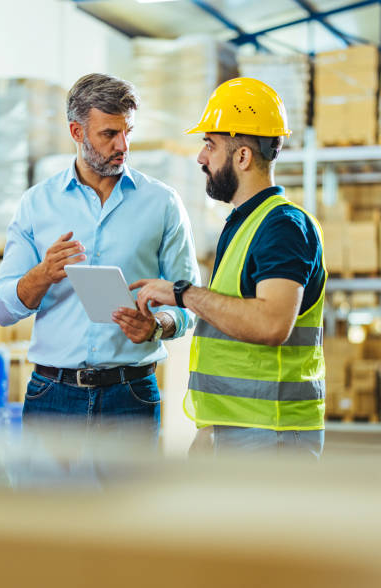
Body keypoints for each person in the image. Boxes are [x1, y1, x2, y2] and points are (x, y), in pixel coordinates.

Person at [118, 78, 327, 457]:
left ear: (243, 156)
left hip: (272, 433)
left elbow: (270, 324)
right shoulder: (244, 223)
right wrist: (210, 429)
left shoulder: (282, 227)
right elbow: (230, 324)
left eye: (210, 145)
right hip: (239, 428)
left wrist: (182, 294)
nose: (201, 158)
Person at [0, 73, 200, 439]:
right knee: (47, 500)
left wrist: (158, 324)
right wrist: (42, 274)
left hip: (130, 395)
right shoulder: (37, 204)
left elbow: (191, 301)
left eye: (127, 132)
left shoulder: (162, 203)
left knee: (131, 499)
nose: (123, 145)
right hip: (52, 396)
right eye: (109, 134)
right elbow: (0, 309)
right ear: (76, 132)